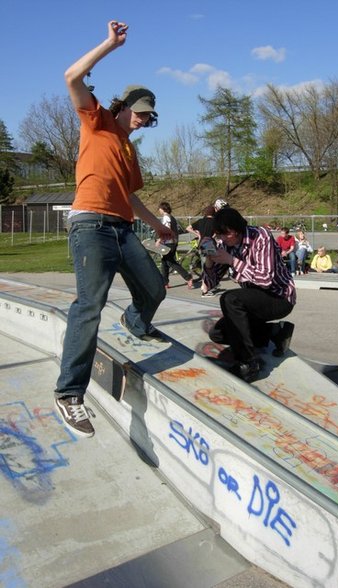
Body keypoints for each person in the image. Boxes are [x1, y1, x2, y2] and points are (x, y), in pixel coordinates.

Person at [54, 21, 172, 438]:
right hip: (89, 226)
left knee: (154, 289)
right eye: (140, 114)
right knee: (90, 305)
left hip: (123, 231)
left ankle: (136, 322)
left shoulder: (129, 151)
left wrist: (159, 226)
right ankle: (69, 394)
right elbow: (72, 76)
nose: (142, 122)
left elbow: (132, 197)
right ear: (124, 107)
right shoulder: (97, 120)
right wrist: (110, 44)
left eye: (149, 119)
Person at [202, 208, 296, 382]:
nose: (220, 239)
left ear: (233, 231)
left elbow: (266, 279)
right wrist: (209, 259)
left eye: (223, 235)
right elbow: (210, 283)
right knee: (218, 334)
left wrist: (232, 261)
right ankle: (276, 332)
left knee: (230, 299)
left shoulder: (261, 237)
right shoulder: (226, 245)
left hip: (278, 297)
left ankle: (248, 364)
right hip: (253, 299)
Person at [157, 202, 193, 290]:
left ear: (163, 209)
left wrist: (159, 240)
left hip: (169, 242)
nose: (159, 210)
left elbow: (167, 229)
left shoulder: (166, 217)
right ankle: (165, 283)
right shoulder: (171, 217)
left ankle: (188, 277)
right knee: (164, 262)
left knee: (170, 262)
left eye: (159, 209)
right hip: (172, 241)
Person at [186, 205, 217, 296]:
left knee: (205, 266)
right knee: (209, 267)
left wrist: (198, 234)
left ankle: (207, 285)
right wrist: (213, 236)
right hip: (210, 245)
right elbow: (218, 232)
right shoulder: (215, 222)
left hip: (201, 244)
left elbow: (188, 228)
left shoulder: (200, 221)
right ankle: (205, 289)